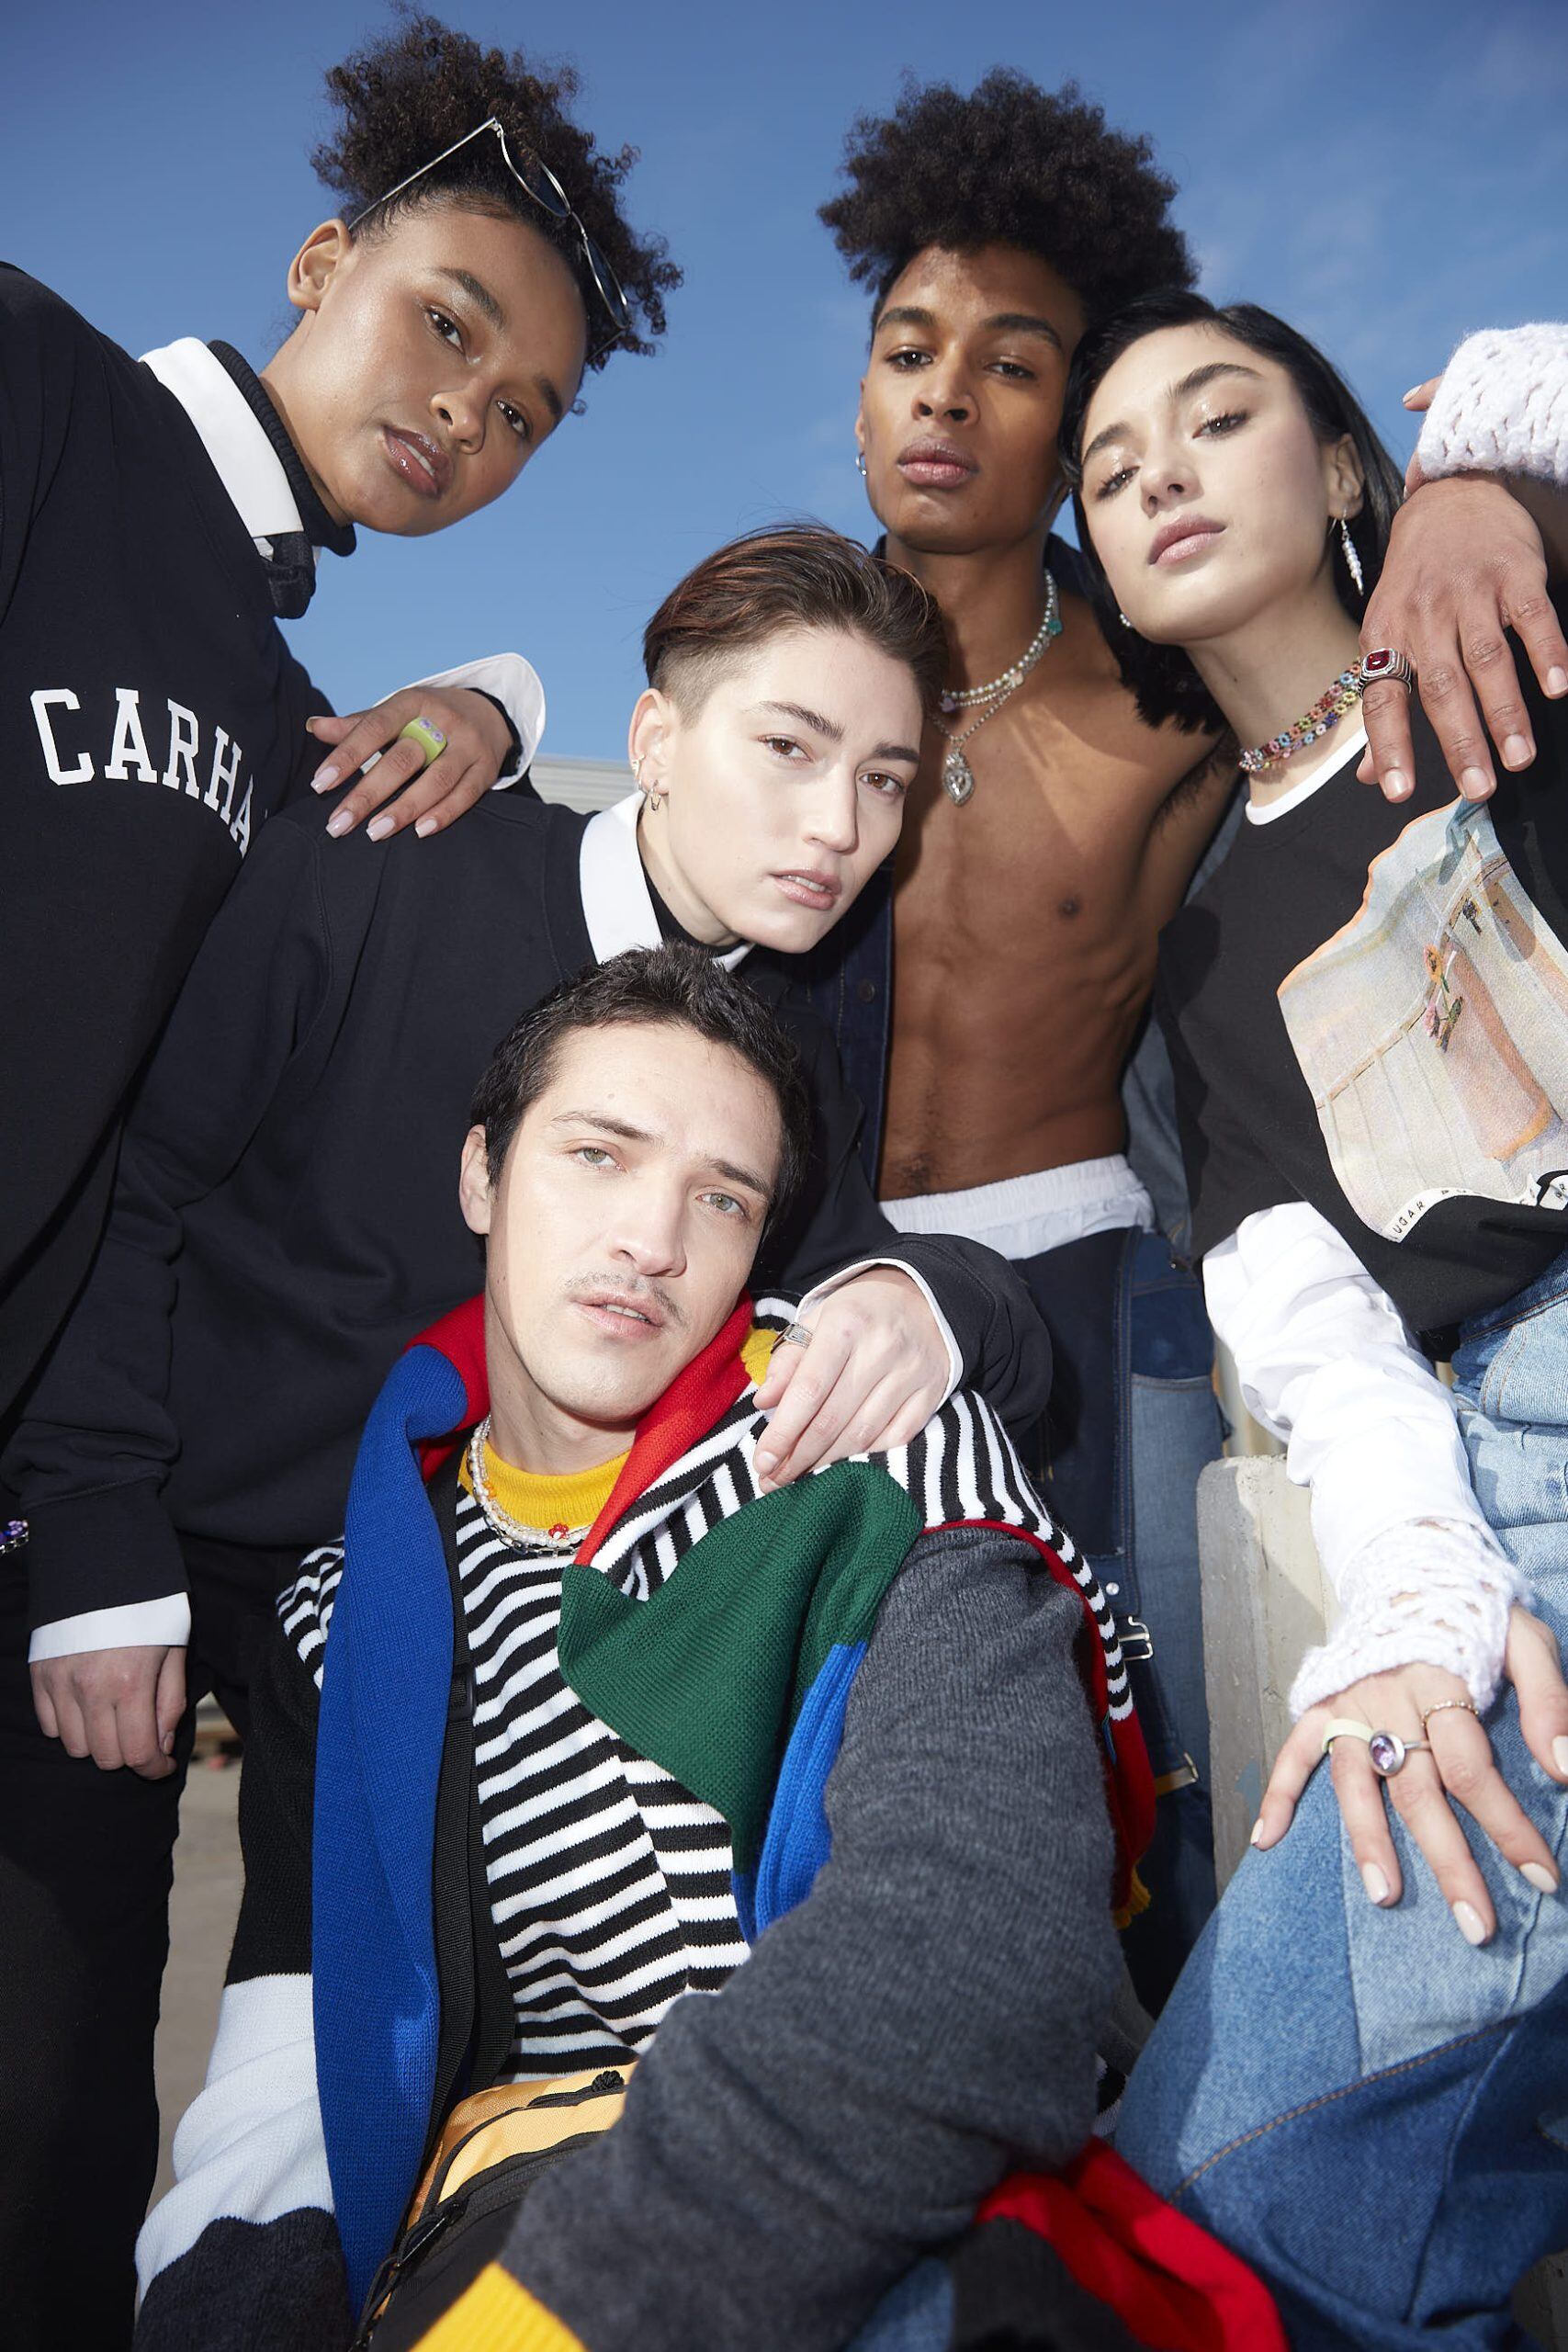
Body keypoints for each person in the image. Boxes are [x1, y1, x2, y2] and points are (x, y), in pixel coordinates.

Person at [2, 526, 1057, 2349]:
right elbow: (132, 1175)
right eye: (788, 747)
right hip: (159, 1513)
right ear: (653, 740)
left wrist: (929, 1295)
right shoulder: (390, 855)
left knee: (351, 2055)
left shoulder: (797, 1014)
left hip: (411, 1600)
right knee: (43, 2099)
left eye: (888, 780)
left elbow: (863, 1267)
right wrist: (93, 1532)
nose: (839, 825)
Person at [130, 944, 1219, 2352]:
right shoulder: (346, 1624)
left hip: (875, 2224)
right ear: (482, 1175)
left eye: (722, 1197)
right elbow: (282, 2085)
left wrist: (566, 2309)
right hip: (498, 2211)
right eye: (598, 1154)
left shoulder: (881, 1466)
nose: (653, 1238)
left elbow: (978, 1957)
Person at [1060, 289, 1568, 2346]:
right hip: (1515, 1443)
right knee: (1222, 2160)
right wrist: (1422, 1595)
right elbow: (1318, 1331)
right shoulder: (1193, 964)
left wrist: (1496, 467)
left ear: (1342, 459)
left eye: (1215, 417)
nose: (1161, 476)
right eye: (1111, 470)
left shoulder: (1512, 616)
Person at [0, 8, 677, 1431]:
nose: (467, 412)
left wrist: (495, 704)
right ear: (320, 265)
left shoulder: (275, 704)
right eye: (448, 324)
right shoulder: (38, 376)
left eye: (521, 417)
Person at [795, 71, 1236, 2003]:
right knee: (832, 1811)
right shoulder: (771, 666)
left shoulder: (1174, 699)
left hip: (1085, 1298)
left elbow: (1380, 689)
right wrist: (487, 704)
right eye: (909, 350)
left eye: (1011, 363)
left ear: (1077, 428)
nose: (946, 396)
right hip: (818, 1290)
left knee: (1151, 1806)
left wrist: (1475, 483)